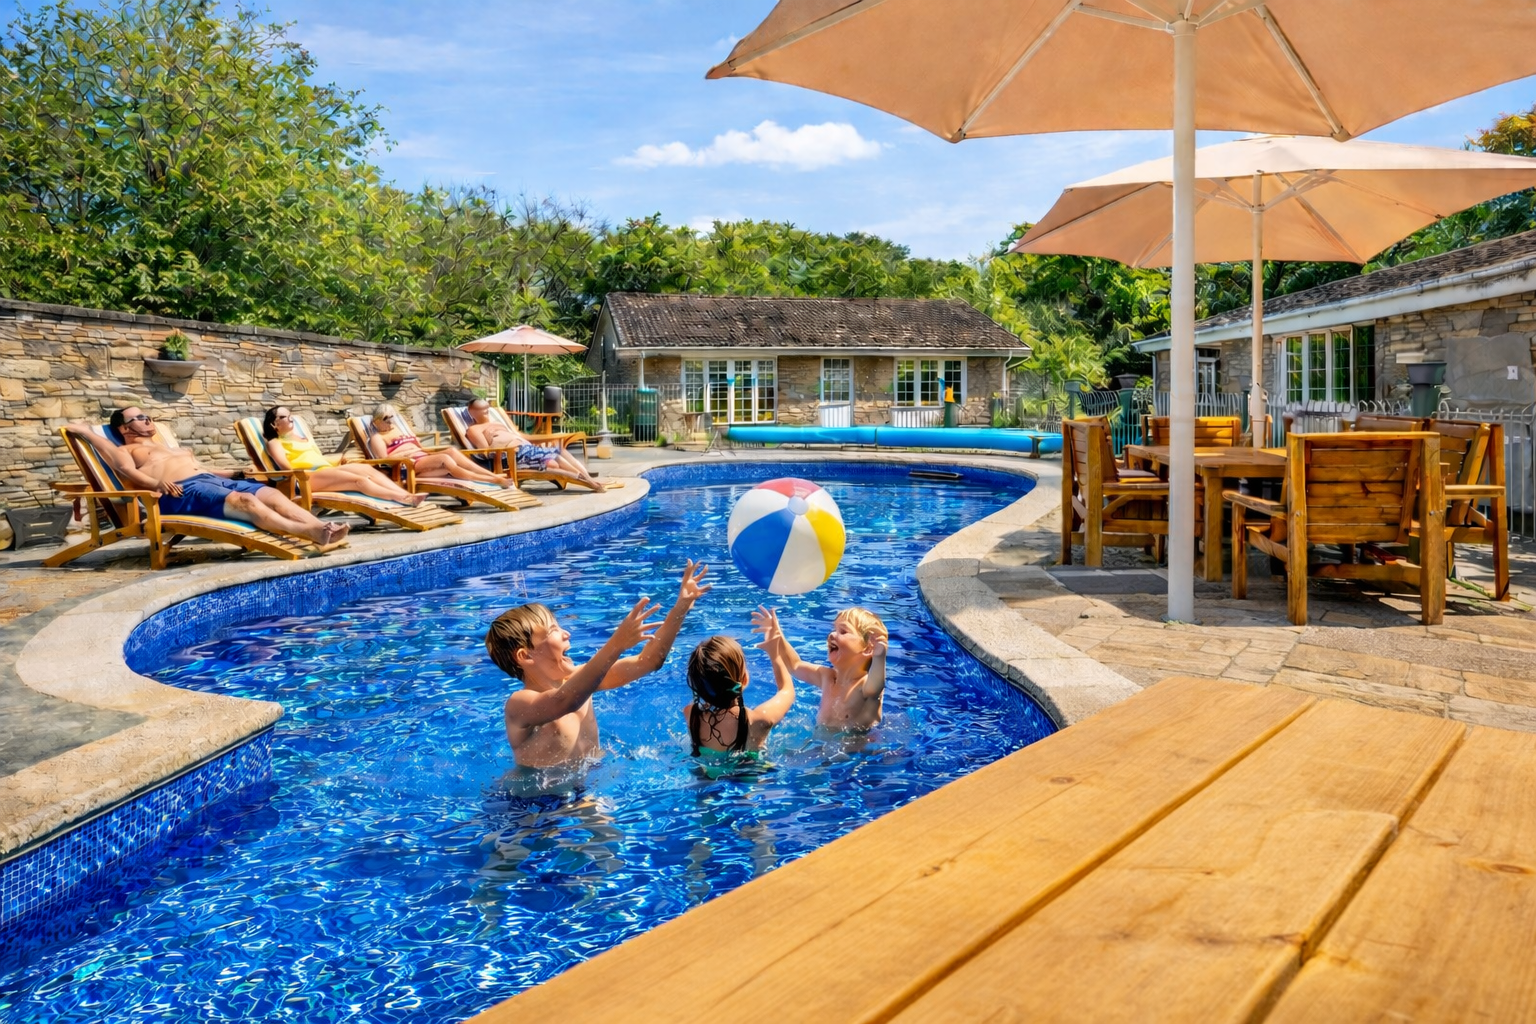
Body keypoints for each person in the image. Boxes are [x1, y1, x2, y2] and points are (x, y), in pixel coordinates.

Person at [487, 560, 712, 769]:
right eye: (553, 631)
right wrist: (617, 644)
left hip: (585, 787)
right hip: (538, 803)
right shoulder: (519, 705)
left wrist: (680, 608)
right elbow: (565, 701)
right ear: (525, 656)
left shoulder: (583, 680)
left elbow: (649, 661)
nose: (566, 633)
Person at [65, 408, 349, 547]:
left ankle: (323, 525)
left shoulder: (169, 446)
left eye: (148, 416)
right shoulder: (126, 449)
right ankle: (311, 533)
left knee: (271, 494)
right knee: (245, 502)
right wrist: (88, 432)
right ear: (125, 429)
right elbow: (125, 470)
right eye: (139, 418)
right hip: (181, 493)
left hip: (211, 481)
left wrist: (235, 473)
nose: (147, 420)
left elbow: (203, 467)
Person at [682, 621, 796, 779]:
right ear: (744, 679)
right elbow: (786, 691)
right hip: (748, 776)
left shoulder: (691, 715)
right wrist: (775, 654)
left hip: (707, 777)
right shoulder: (757, 720)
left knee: (703, 790)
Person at [753, 606, 888, 731]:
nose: (832, 634)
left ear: (868, 648)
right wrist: (777, 634)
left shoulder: (865, 686)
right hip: (821, 748)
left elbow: (876, 687)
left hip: (855, 754)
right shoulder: (826, 676)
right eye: (834, 629)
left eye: (843, 631)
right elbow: (794, 665)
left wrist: (879, 656)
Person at [262, 406, 426, 505]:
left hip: (325, 471)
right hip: (304, 478)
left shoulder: (302, 437)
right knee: (359, 481)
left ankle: (407, 495)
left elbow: (319, 457)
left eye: (290, 414)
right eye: (283, 416)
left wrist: (341, 458)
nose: (290, 418)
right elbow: (286, 467)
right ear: (273, 423)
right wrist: (303, 475)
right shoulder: (275, 442)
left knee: (366, 469)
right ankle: (400, 498)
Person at [463, 398, 606, 492]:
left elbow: (520, 436)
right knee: (556, 459)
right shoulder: (474, 429)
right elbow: (487, 451)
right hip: (512, 455)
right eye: (482, 410)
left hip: (527, 449)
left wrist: (542, 440)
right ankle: (588, 482)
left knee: (559, 451)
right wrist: (499, 441)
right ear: (472, 413)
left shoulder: (497, 423)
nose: (486, 413)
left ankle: (588, 478)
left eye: (487, 409)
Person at [366, 403, 516, 488]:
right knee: (445, 458)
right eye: (387, 418)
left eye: (393, 417)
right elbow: (384, 460)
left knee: (451, 451)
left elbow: (419, 447)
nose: (391, 421)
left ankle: (492, 475)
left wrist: (419, 449)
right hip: (407, 467)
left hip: (422, 459)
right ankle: (493, 480)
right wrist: (407, 453)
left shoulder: (398, 429)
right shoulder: (377, 437)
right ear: (377, 421)